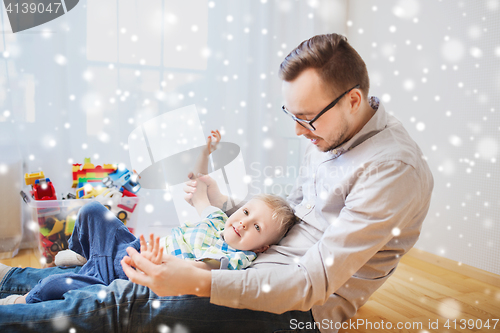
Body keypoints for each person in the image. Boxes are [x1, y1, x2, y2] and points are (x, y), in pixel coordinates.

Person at [0, 33, 433, 333]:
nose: (300, 132)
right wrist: (226, 204)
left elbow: (308, 284)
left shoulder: (393, 171)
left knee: (125, 300)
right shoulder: (328, 133)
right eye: (292, 116)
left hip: (295, 311)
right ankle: (13, 281)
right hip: (244, 260)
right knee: (116, 244)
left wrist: (197, 280)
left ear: (353, 100)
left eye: (306, 119)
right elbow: (291, 212)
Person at [1, 131, 296, 305]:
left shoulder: (233, 260)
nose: (243, 222)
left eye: (256, 227)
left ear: (261, 248)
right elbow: (199, 185)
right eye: (246, 212)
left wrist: (160, 262)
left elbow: (198, 270)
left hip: (131, 273)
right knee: (93, 210)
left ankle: (21, 303)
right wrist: (206, 152)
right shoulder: (218, 219)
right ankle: (82, 254)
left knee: (57, 286)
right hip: (131, 247)